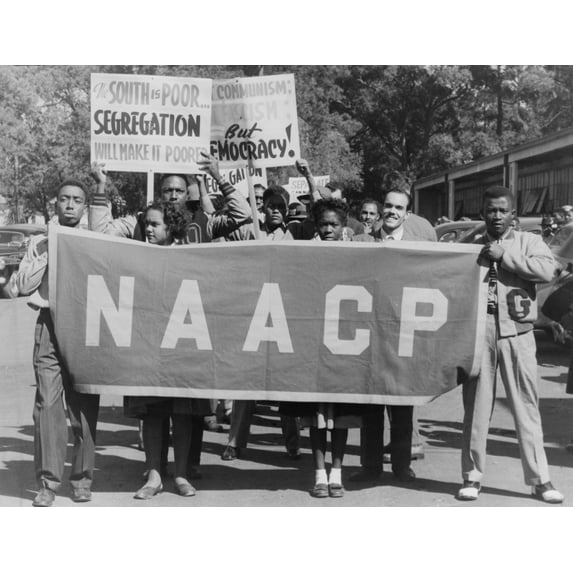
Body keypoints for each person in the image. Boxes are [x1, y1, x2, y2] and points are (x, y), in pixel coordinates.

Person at [457, 185, 563, 503]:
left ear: (513, 214)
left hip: (518, 333)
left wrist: (506, 257)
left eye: (503, 210)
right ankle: (472, 476)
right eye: (491, 210)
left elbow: (549, 270)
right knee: (476, 409)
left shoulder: (529, 242)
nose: (497, 215)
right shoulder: (471, 245)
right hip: (480, 332)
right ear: (482, 213)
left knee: (526, 408)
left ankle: (540, 479)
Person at [4, 179, 100, 507]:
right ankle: (47, 481)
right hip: (49, 324)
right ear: (55, 204)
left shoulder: (93, 239)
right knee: (47, 404)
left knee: (84, 404)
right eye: (64, 199)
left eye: (77, 200)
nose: (70, 205)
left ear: (85, 206)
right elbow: (23, 286)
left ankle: (83, 478)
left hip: (85, 326)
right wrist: (47, 249)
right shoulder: (41, 242)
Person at [350, 185, 436, 484]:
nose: (391, 212)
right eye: (388, 205)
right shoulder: (360, 242)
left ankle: (401, 465)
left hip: (402, 334)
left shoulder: (419, 247)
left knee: (402, 407)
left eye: (398, 208)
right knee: (370, 408)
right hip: (369, 333)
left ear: (407, 214)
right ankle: (370, 466)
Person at [281, 198, 363, 498]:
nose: (328, 229)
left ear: (344, 227)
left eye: (334, 224)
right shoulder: (305, 252)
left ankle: (337, 471)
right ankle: (318, 473)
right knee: (315, 414)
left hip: (344, 342)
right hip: (314, 342)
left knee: (340, 415)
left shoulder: (356, 254)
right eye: (324, 224)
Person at [126, 201, 202, 499]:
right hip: (149, 344)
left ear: (171, 227)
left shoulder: (188, 256)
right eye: (146, 223)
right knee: (153, 413)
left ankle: (181, 473)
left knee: (183, 414)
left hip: (182, 343)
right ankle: (154, 475)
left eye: (155, 224)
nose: (148, 228)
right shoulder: (137, 255)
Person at [221, 185, 301, 461]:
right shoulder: (249, 231)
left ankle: (292, 442)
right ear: (262, 208)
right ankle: (235, 441)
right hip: (253, 314)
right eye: (271, 206)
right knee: (246, 383)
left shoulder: (296, 235)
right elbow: (223, 225)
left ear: (288, 210)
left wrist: (309, 181)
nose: (276, 210)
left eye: (281, 206)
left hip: (284, 316)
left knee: (286, 386)